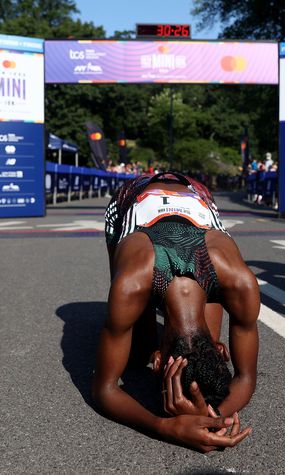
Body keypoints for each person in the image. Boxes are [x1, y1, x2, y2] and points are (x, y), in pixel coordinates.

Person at [94, 171, 259, 453]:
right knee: (136, 354)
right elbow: (103, 389)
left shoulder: (238, 282)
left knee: (202, 370)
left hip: (194, 201)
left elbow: (246, 378)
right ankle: (141, 332)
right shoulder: (130, 284)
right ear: (157, 361)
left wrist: (209, 415)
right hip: (133, 196)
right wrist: (164, 426)